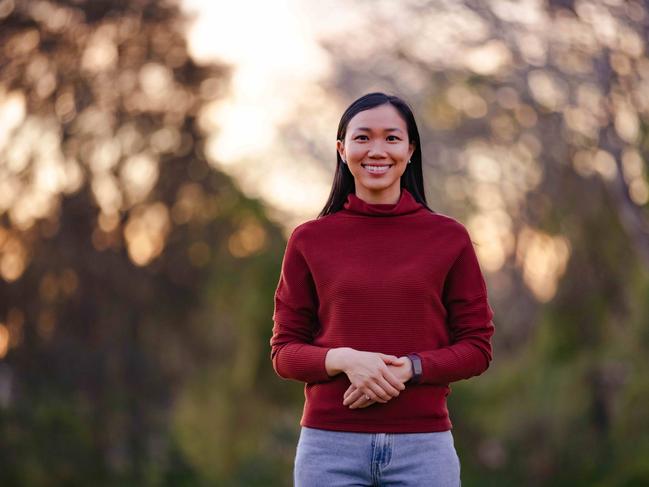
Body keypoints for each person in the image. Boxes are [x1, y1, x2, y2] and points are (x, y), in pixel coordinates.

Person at [269, 92, 495, 486]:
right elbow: (284, 352)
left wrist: (411, 368)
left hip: (424, 449)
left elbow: (477, 347)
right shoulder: (309, 240)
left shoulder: (449, 238)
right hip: (329, 449)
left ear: (410, 150)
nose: (377, 150)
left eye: (391, 138)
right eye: (362, 138)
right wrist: (346, 360)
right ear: (342, 150)